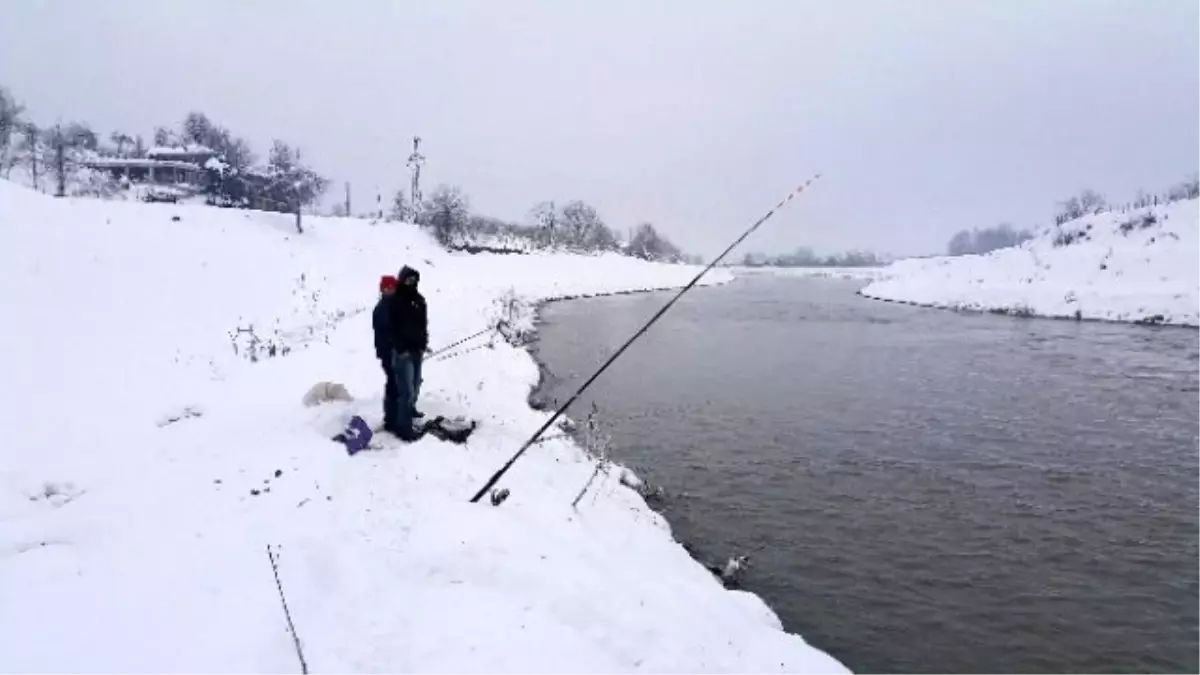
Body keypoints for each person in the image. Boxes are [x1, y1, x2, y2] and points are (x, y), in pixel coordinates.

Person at [386, 265, 428, 439]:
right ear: (402, 280)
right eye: (408, 279)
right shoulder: (395, 300)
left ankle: (411, 410)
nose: (411, 282)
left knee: (416, 384)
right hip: (403, 354)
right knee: (406, 391)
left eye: (414, 280)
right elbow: (391, 329)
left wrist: (423, 342)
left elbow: (423, 326)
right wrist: (401, 349)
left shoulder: (419, 300)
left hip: (417, 351)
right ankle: (404, 428)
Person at [372, 275, 398, 430]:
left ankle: (397, 418)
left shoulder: (395, 306)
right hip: (388, 353)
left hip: (397, 353)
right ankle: (391, 421)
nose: (390, 290)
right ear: (382, 290)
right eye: (386, 288)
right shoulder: (382, 309)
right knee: (394, 386)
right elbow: (391, 333)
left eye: (392, 288)